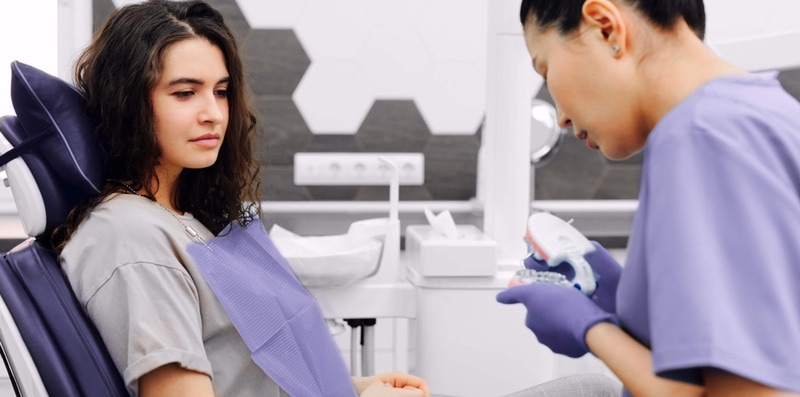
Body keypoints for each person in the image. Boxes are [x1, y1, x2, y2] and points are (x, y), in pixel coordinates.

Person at [54, 1, 429, 396]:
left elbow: (247, 373)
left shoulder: (178, 217)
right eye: (185, 93)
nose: (214, 113)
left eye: (221, 91)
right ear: (126, 103)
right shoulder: (129, 236)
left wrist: (354, 387)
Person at [496, 0, 800, 396]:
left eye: (546, 69)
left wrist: (592, 329)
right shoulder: (766, 111)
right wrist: (629, 307)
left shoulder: (700, 136)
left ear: (606, 27)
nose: (562, 119)